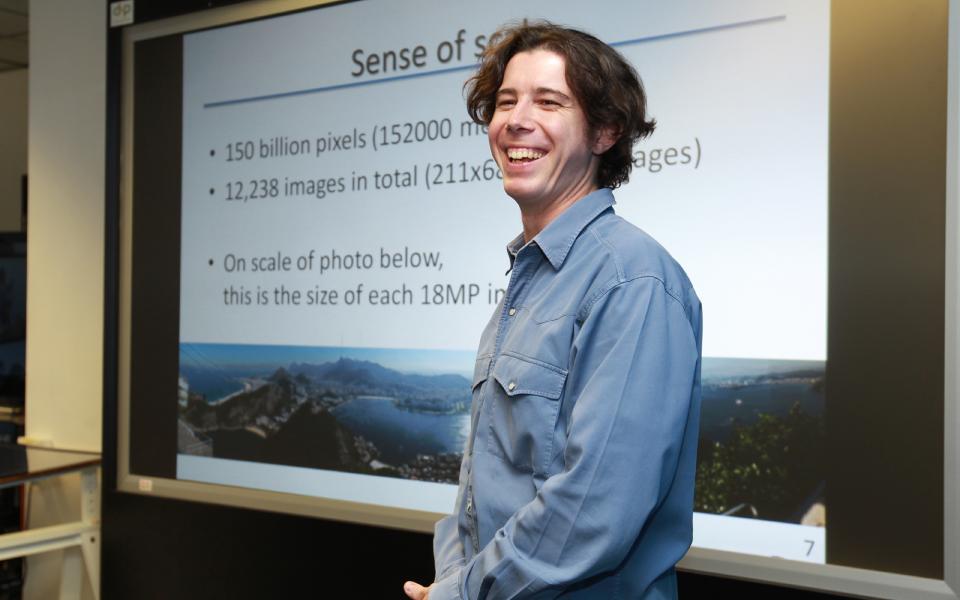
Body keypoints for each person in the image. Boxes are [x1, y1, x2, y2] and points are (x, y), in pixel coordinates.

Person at [404, 21, 702, 600]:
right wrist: (453, 581)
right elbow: (481, 485)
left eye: (549, 101)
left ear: (605, 132)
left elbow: (595, 510)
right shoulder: (529, 281)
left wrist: (464, 593)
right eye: (506, 101)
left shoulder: (630, 279)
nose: (516, 119)